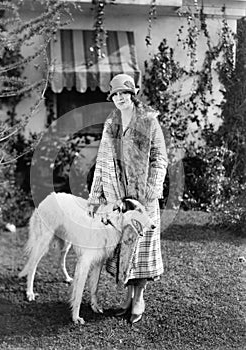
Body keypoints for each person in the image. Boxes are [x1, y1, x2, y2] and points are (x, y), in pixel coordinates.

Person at [87, 73, 168, 323]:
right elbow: (101, 163)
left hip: (143, 200)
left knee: (141, 249)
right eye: (116, 94)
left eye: (125, 93)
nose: (120, 98)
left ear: (133, 95)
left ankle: (139, 298)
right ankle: (127, 299)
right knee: (125, 250)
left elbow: (160, 158)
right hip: (119, 200)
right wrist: (95, 197)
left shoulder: (149, 122)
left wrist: (150, 192)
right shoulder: (111, 124)